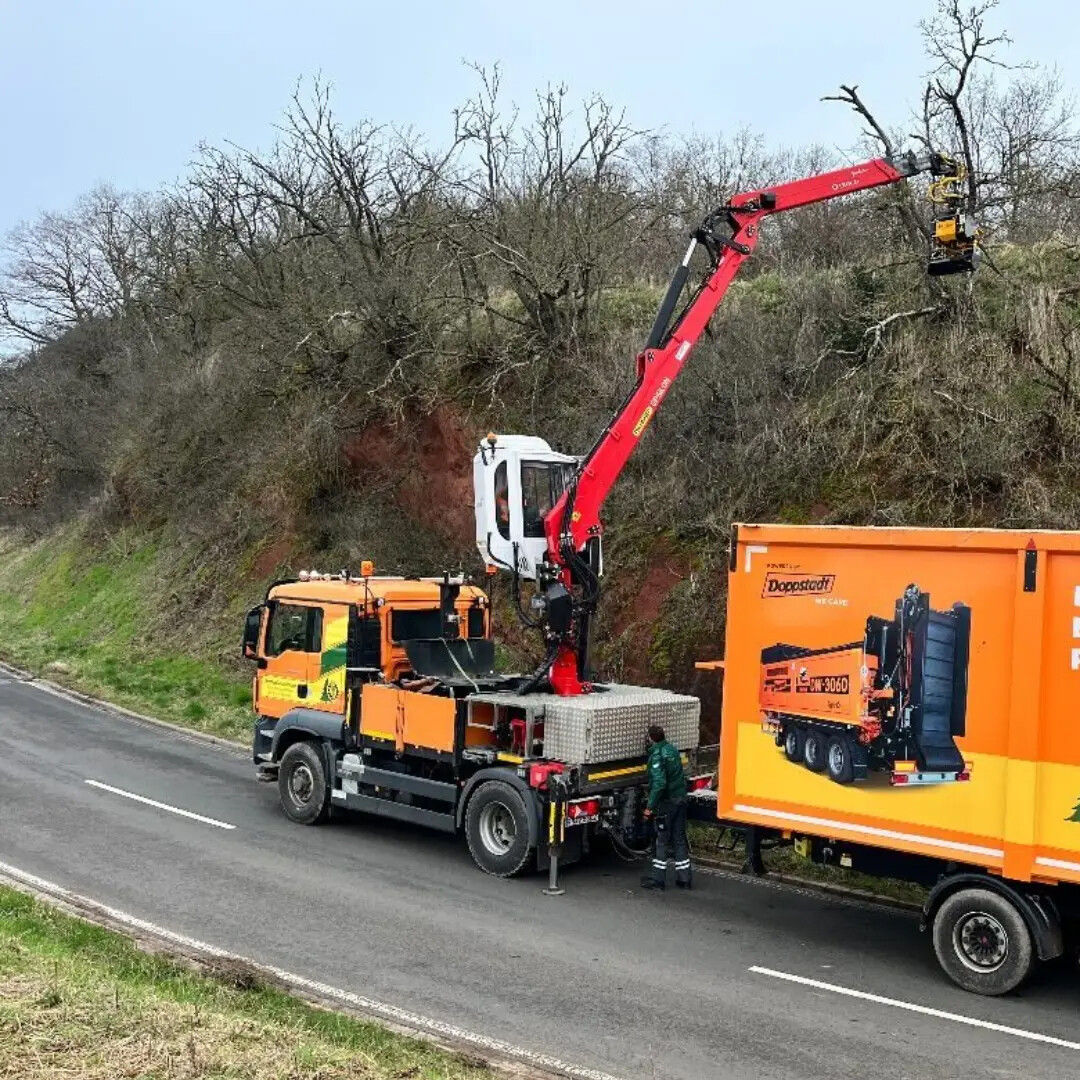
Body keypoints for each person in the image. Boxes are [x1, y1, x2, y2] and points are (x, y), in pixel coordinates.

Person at [640, 724, 691, 890]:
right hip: (680, 799)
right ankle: (684, 879)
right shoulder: (672, 749)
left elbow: (659, 784)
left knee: (661, 839)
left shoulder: (657, 755)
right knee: (679, 838)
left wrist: (649, 807)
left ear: (651, 739)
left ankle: (658, 880)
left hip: (667, 803)